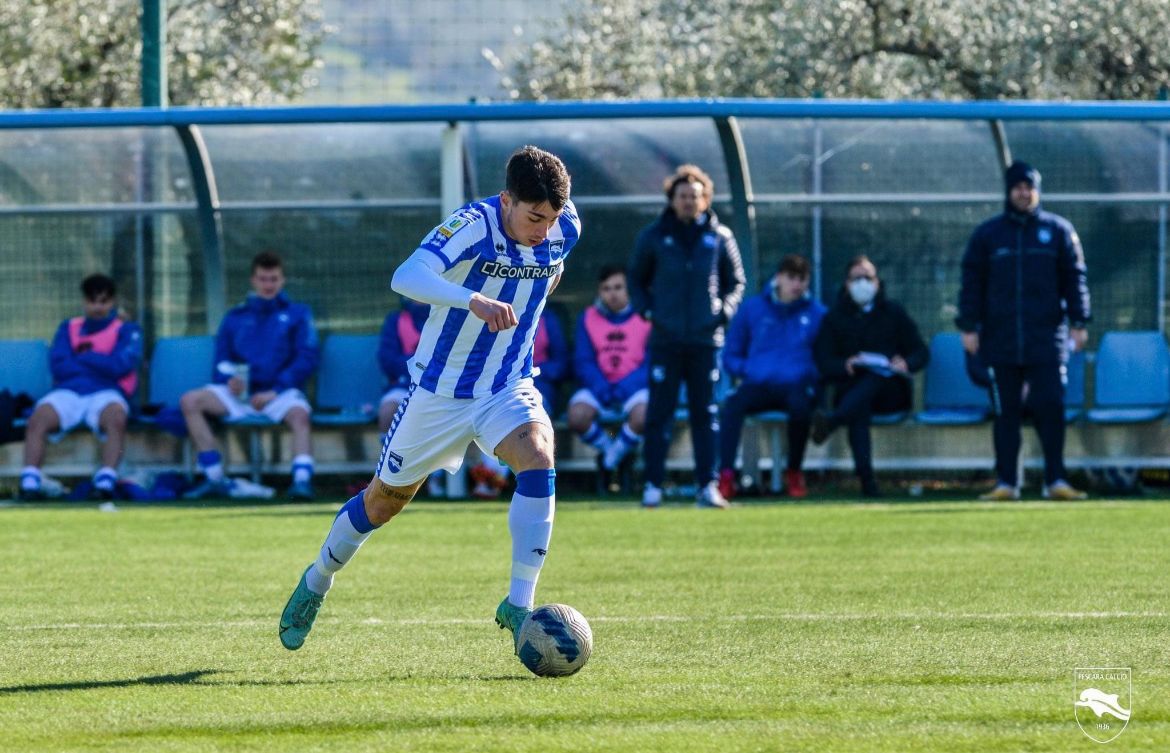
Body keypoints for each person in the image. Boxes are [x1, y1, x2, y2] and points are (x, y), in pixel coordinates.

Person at [278, 145, 581, 659]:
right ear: (506, 199)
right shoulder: (472, 226)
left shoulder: (564, 225)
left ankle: (519, 605)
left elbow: (552, 266)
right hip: (439, 392)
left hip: (506, 384)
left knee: (538, 455)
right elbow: (406, 276)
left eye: (551, 218)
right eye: (534, 217)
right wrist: (472, 299)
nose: (543, 229)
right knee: (381, 504)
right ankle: (318, 578)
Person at [957, 160, 1091, 501]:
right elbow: (971, 283)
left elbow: (1075, 278)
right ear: (1008, 191)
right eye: (1018, 187)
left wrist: (1079, 322)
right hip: (1001, 340)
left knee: (1051, 407)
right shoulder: (988, 235)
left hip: (1046, 339)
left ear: (1037, 191)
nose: (1023, 193)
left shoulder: (1058, 231)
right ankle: (1007, 483)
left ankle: (1055, 480)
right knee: (1006, 413)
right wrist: (968, 326)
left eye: (1029, 187)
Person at [628, 164, 746, 509]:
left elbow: (736, 282)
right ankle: (653, 485)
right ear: (672, 199)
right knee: (659, 414)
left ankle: (708, 485)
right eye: (682, 196)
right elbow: (636, 280)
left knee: (705, 413)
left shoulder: (720, 237)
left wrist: (722, 313)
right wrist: (649, 312)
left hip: (705, 342)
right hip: (665, 340)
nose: (688, 201)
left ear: (705, 198)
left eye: (695, 196)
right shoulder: (653, 236)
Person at [180, 251, 321, 500]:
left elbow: (306, 358)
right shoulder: (235, 317)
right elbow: (222, 360)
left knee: (300, 414)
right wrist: (229, 381)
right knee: (190, 401)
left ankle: (301, 482)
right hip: (240, 394)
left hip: (278, 392)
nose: (268, 285)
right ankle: (215, 478)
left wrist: (276, 390)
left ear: (282, 280)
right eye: (263, 279)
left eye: (273, 279)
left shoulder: (298, 314)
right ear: (253, 280)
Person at [811, 255, 928, 497]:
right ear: (846, 284)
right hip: (851, 391)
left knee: (875, 379)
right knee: (859, 405)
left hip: (890, 393)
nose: (862, 283)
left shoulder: (893, 312)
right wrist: (845, 364)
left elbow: (921, 352)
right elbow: (824, 361)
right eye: (856, 278)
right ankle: (868, 483)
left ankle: (833, 421)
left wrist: (905, 362)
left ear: (877, 282)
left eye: (868, 277)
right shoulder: (834, 318)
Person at [18, 274, 143, 500]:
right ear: (84, 301)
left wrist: (85, 355)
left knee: (116, 417)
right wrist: (101, 361)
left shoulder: (126, 329)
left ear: (112, 301)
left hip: (107, 391)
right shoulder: (68, 327)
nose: (98, 307)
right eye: (92, 301)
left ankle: (105, 482)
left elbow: (121, 365)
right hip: (69, 391)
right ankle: (30, 483)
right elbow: (59, 366)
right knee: (38, 418)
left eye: (103, 301)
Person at [718, 255, 825, 500]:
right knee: (732, 406)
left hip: (796, 386)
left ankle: (794, 472)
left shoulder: (818, 314)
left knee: (801, 409)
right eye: (791, 277)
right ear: (778, 278)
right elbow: (731, 354)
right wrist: (749, 370)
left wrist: (810, 374)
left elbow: (825, 357)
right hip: (758, 384)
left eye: (802, 279)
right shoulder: (752, 309)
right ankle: (725, 477)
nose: (796, 284)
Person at [567, 264, 652, 479]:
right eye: (606, 288)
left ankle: (610, 461)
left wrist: (627, 386)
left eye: (618, 287)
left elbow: (652, 361)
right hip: (599, 388)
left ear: (629, 288)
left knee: (644, 416)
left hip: (635, 389)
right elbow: (583, 360)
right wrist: (601, 387)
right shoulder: (587, 317)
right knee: (576, 417)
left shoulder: (646, 316)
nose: (612, 294)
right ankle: (613, 452)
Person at [376, 297, 430, 433]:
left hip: (442, 386)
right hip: (404, 385)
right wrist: (420, 364)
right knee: (388, 410)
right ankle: (387, 447)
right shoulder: (396, 320)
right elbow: (387, 360)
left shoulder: (449, 319)